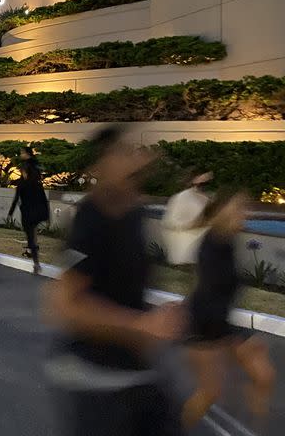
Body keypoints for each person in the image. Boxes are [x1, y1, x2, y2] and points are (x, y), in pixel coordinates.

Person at [45, 126, 185, 436]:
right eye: (123, 152)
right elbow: (65, 305)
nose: (136, 157)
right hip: (95, 375)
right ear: (101, 167)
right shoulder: (91, 218)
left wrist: (157, 315)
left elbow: (122, 289)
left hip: (137, 369)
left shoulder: (135, 213)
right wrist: (140, 325)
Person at [181, 191, 275, 429]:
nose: (244, 215)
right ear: (222, 213)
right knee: (209, 392)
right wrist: (232, 342)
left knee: (263, 376)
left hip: (221, 322)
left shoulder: (227, 242)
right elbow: (209, 298)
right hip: (204, 325)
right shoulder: (210, 247)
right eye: (238, 209)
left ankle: (258, 427)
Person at [162, 171, 214, 264]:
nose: (206, 184)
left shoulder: (206, 199)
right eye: (203, 181)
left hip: (203, 250)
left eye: (209, 180)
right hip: (186, 251)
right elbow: (170, 222)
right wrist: (193, 224)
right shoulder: (181, 197)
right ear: (194, 180)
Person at [8, 163, 49, 273]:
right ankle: (35, 260)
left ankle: (36, 262)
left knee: (31, 238)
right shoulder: (37, 184)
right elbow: (44, 200)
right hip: (36, 214)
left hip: (27, 214)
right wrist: (47, 215)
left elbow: (16, 199)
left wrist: (10, 212)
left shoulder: (22, 184)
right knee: (32, 237)